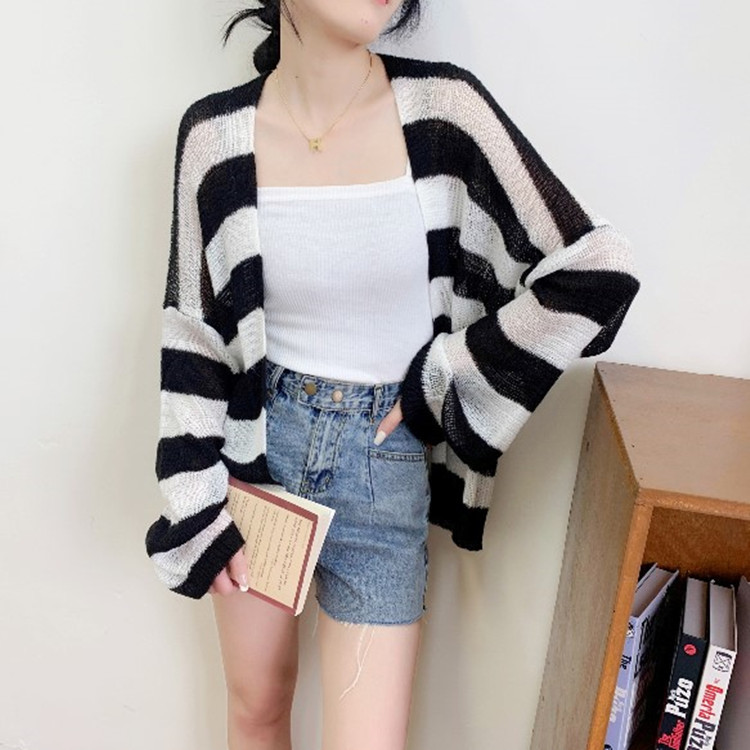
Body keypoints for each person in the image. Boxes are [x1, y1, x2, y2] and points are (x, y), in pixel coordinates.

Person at [144, 1, 641, 748]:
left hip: (384, 468)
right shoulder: (214, 136)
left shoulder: (446, 110)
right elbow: (193, 334)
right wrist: (196, 505)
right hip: (255, 460)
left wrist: (442, 381)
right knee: (256, 711)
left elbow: (596, 271)